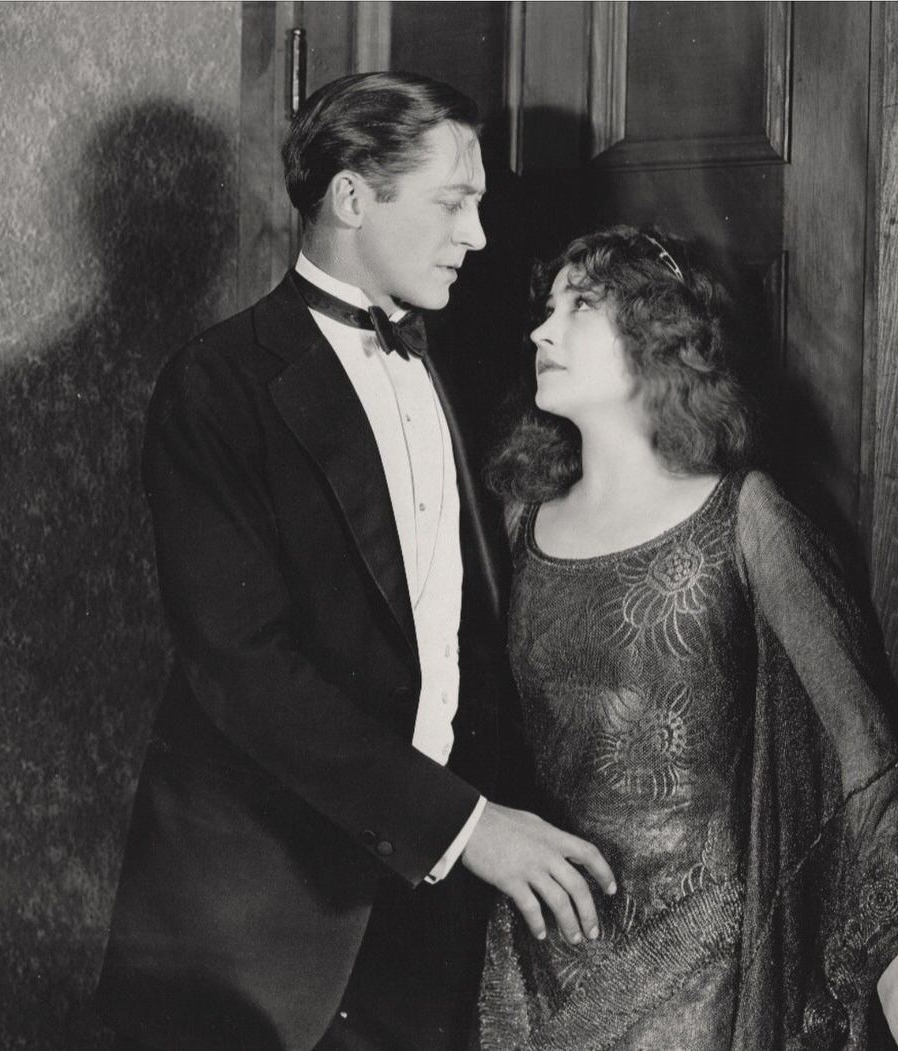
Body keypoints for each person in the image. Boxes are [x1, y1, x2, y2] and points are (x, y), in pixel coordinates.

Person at [95, 72, 614, 1051]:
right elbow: (243, 671)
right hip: (257, 931)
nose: (477, 235)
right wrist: (467, 826)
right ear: (350, 197)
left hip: (427, 921)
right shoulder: (217, 384)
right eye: (452, 202)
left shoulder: (454, 363)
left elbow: (465, 635)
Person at [477, 226, 898, 1051]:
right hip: (535, 959)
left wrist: (891, 941)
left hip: (706, 978)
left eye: (579, 306)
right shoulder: (515, 524)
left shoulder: (746, 513)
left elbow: (861, 737)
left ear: (658, 331)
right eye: (547, 308)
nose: (542, 331)